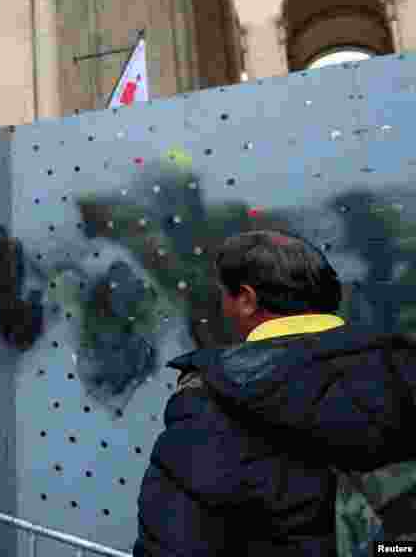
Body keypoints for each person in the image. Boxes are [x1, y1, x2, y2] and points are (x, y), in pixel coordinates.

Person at [134, 230, 416, 556]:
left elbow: (173, 545)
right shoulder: (403, 369)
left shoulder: (209, 403)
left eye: (224, 294)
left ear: (246, 300)